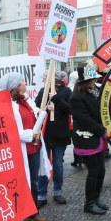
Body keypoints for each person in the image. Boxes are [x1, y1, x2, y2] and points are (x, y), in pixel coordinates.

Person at [0, 72, 46, 221]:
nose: (25, 83)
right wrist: (30, 134)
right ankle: (15, 220)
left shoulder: (26, 101)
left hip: (33, 148)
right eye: (22, 81)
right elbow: (12, 131)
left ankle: (32, 212)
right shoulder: (8, 106)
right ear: (15, 87)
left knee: (33, 181)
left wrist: (43, 111)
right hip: (20, 150)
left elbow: (34, 116)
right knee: (17, 184)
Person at [70, 61, 108, 215]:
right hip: (86, 139)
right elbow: (85, 119)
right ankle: (89, 203)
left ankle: (96, 198)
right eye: (93, 79)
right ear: (86, 80)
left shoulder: (91, 91)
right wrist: (102, 130)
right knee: (94, 171)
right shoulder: (76, 97)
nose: (95, 81)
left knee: (101, 170)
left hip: (97, 137)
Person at [36, 71, 72, 207]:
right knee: (43, 165)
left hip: (60, 135)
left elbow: (70, 109)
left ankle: (57, 191)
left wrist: (56, 100)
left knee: (58, 164)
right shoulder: (43, 90)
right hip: (46, 134)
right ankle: (41, 194)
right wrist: (46, 106)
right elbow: (37, 106)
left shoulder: (67, 91)